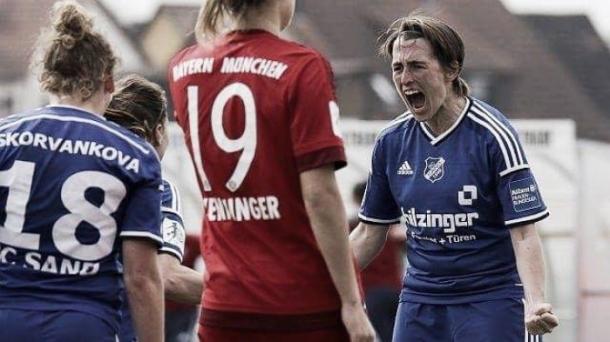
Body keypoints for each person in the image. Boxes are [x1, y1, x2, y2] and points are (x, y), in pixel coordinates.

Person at [167, 1, 375, 341]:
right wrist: (352, 302)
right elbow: (320, 196)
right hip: (301, 307)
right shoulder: (302, 66)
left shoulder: (183, 67)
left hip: (223, 304)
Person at [350, 14, 560, 341]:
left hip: (491, 298)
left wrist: (535, 302)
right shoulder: (391, 142)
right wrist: (318, 282)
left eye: (417, 66)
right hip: (422, 299)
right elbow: (368, 232)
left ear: (452, 69)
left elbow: (523, 233)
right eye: (397, 68)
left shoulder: (493, 136)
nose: (405, 78)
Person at [0, 2, 163, 342]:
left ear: (47, 78)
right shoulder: (135, 156)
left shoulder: (3, 137)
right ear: (109, 82)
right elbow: (141, 278)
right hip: (81, 324)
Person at [103, 74, 203, 342]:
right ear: (159, 131)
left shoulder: (75, 171)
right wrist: (244, 293)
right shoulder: (156, 188)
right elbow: (166, 276)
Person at [348, 181, 403, 342]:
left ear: (355, 199)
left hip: (371, 292)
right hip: (396, 290)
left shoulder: (352, 227)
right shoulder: (389, 227)